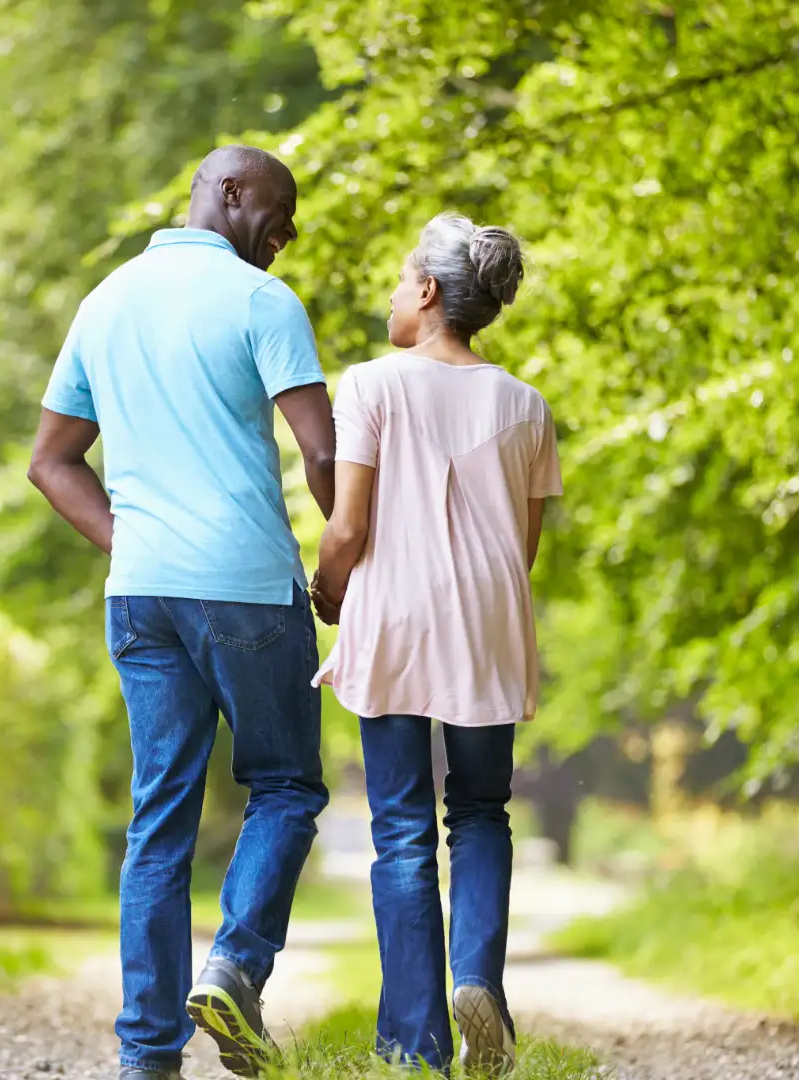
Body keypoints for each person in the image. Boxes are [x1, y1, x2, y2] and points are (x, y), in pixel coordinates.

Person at [29, 145, 334, 1080]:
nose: (282, 239)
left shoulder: (106, 299)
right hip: (245, 587)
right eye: (277, 217)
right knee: (285, 785)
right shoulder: (259, 302)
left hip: (143, 595)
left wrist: (137, 544)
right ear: (229, 193)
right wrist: (351, 563)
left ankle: (146, 1057)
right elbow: (324, 453)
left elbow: (52, 461)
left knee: (158, 821)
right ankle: (236, 969)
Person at [310, 213, 562, 1076]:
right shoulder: (527, 405)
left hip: (395, 617)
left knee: (402, 828)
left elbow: (347, 526)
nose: (390, 293)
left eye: (399, 277)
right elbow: (521, 549)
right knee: (483, 811)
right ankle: (477, 979)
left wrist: (327, 589)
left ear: (427, 292)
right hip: (490, 620)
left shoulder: (371, 385)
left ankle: (414, 1045)